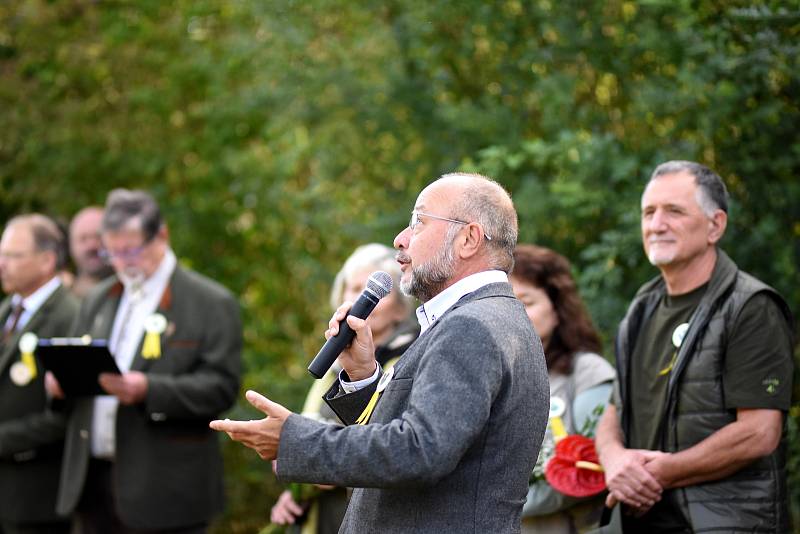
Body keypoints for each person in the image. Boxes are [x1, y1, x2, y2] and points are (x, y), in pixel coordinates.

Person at [212, 172, 550, 533]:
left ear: (468, 239)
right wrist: (364, 377)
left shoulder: (472, 325)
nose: (400, 239)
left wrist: (295, 440)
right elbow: (419, 437)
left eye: (418, 222)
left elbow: (420, 451)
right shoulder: (490, 316)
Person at [594, 161, 795, 532]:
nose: (656, 225)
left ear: (715, 225)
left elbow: (759, 432)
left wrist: (661, 473)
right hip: (645, 521)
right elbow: (614, 409)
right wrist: (615, 459)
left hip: (725, 522)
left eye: (674, 211)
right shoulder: (641, 309)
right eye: (649, 213)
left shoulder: (751, 306)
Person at [51, 189, 243, 533]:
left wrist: (148, 390)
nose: (122, 262)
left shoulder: (209, 301)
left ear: (162, 236)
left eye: (131, 250)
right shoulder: (98, 298)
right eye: (113, 252)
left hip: (165, 490)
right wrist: (61, 385)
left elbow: (221, 388)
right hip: (93, 485)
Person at [270, 243, 419, 534]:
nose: (362, 299)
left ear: (400, 309)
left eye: (373, 290)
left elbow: (398, 445)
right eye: (353, 289)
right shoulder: (333, 362)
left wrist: (320, 461)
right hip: (320, 515)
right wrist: (293, 492)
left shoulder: (411, 359)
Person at [510, 244, 615, 534]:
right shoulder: (491, 380)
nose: (515, 314)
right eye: (507, 303)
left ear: (557, 309)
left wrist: (497, 502)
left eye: (527, 302)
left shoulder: (589, 371)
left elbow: (594, 466)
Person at [0, 214, 79, 534]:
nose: (2, 264)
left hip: (37, 494)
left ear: (47, 260)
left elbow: (68, 414)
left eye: (12, 256)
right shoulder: (7, 309)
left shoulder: (71, 316)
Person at [68, 206, 114, 299]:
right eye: (83, 239)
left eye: (98, 237)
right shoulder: (65, 297)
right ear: (71, 245)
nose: (91, 246)